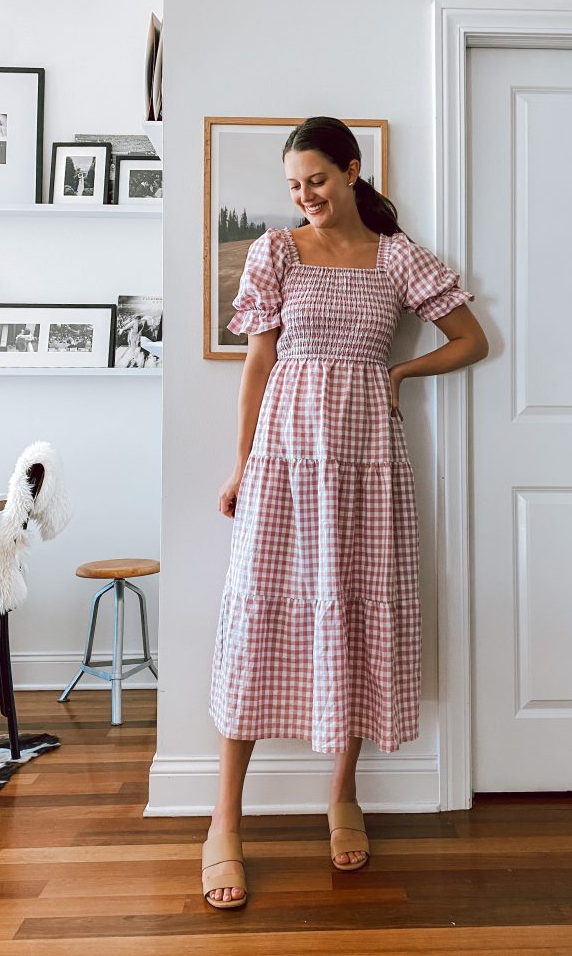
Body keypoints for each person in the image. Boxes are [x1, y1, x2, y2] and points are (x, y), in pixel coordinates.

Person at [203, 115, 489, 910]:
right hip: (285, 459)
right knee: (258, 617)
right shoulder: (277, 252)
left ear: (352, 171)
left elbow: (471, 340)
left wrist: (400, 372)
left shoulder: (396, 257)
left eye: (318, 181)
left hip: (367, 463)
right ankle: (223, 821)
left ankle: (342, 793)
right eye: (295, 187)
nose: (307, 197)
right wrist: (241, 464)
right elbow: (257, 364)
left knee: (356, 613)